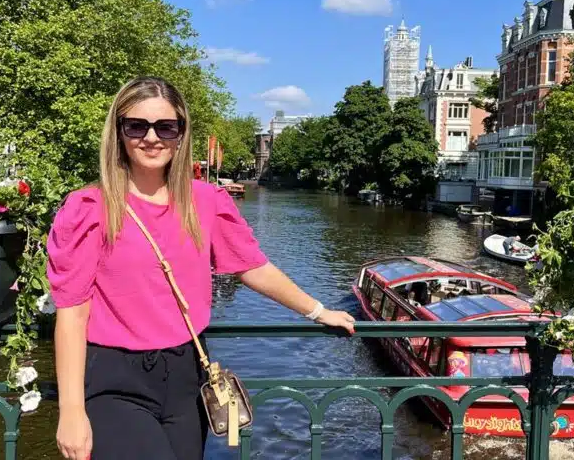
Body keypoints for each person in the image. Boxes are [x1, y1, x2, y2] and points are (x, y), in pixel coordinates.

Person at [47, 76, 356, 460]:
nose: (151, 137)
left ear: (181, 134)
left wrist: (318, 310)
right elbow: (72, 314)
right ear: (119, 132)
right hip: (115, 379)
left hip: (187, 373)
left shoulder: (205, 201)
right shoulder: (89, 209)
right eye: (137, 126)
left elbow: (253, 267)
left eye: (166, 126)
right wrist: (72, 411)